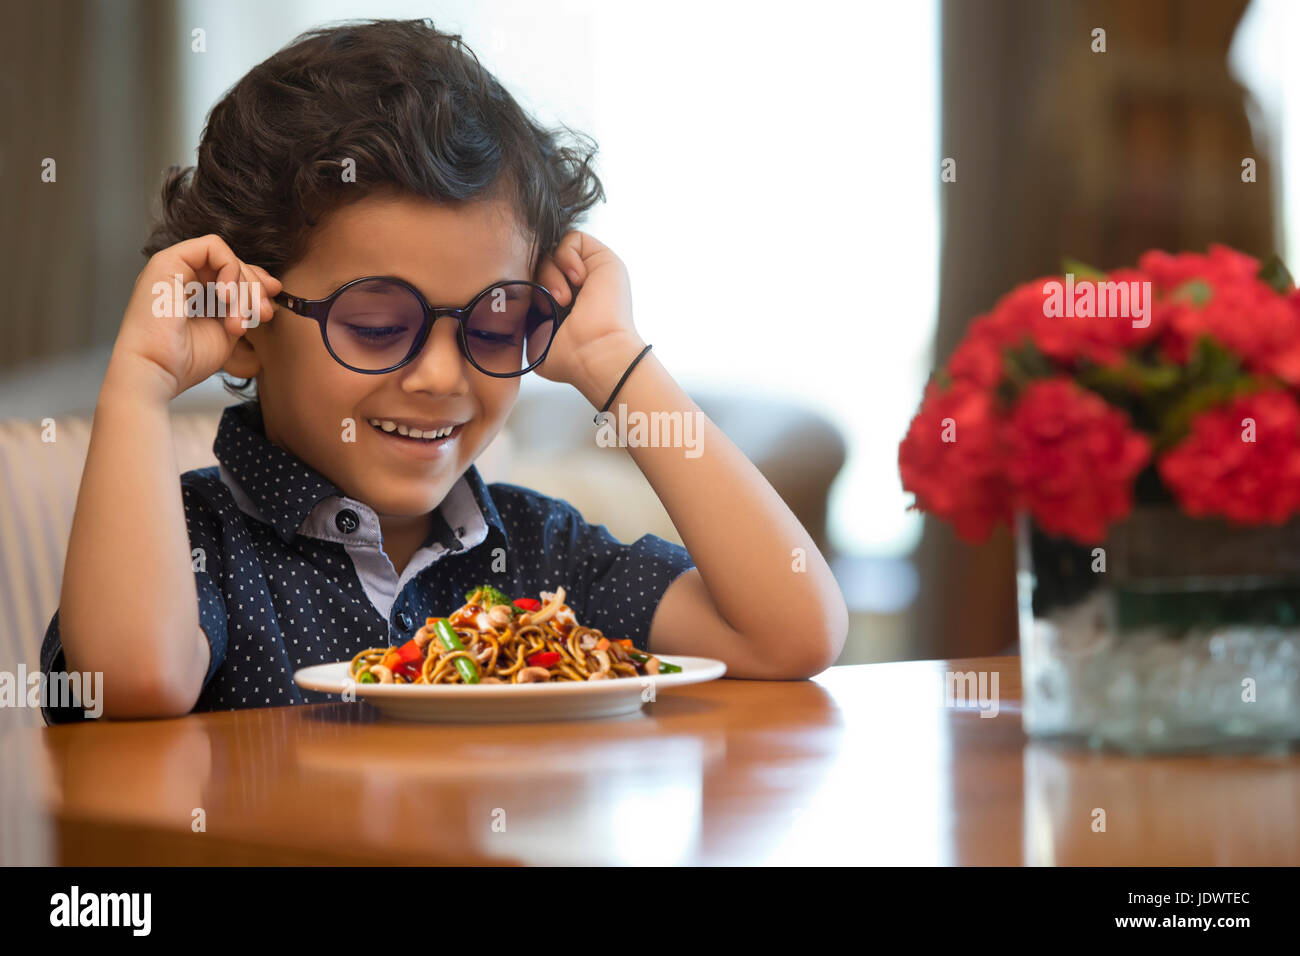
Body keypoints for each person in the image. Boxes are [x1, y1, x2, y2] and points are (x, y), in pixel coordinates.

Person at [40, 18, 847, 722]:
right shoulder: (194, 548)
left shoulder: (539, 557)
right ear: (246, 326)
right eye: (379, 323)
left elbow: (792, 631)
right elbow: (129, 682)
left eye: (495, 322)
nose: (439, 376)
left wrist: (614, 362)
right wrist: (142, 378)